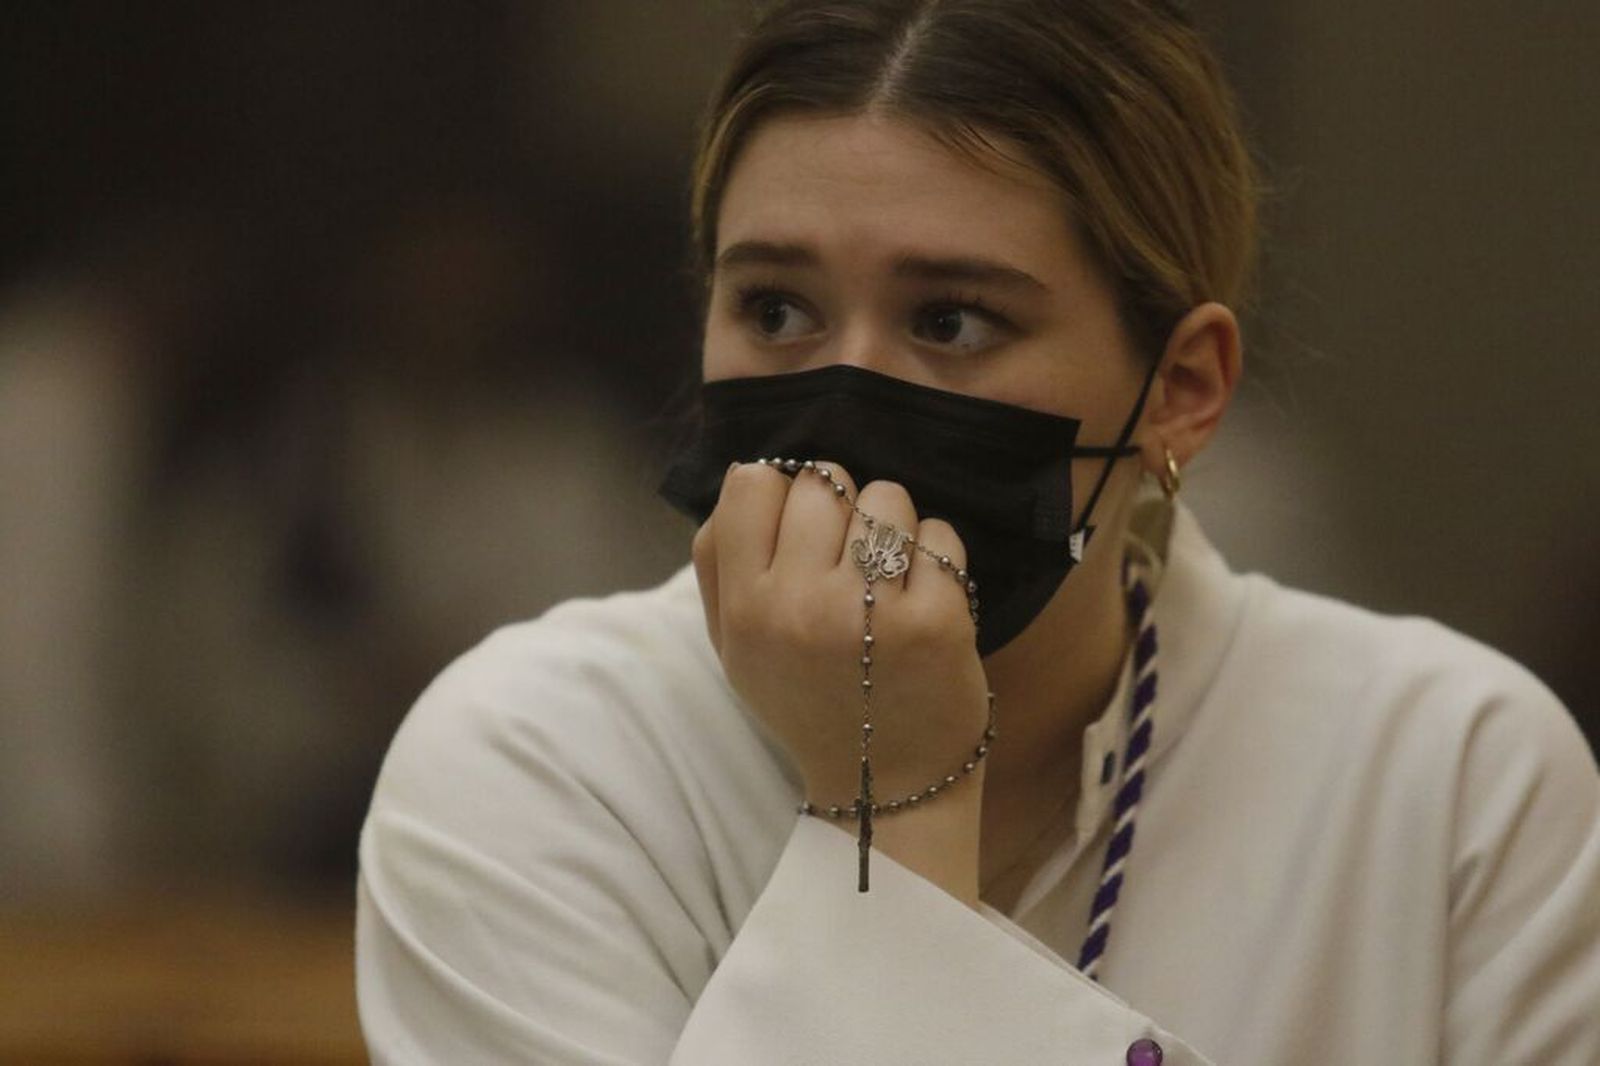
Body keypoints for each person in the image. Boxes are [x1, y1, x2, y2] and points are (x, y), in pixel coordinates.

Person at [353, 1, 1600, 1062]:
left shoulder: (1452, 782)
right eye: (775, 308)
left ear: (1181, 388)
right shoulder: (541, 764)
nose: (843, 396)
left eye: (950, 321)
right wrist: (890, 802)